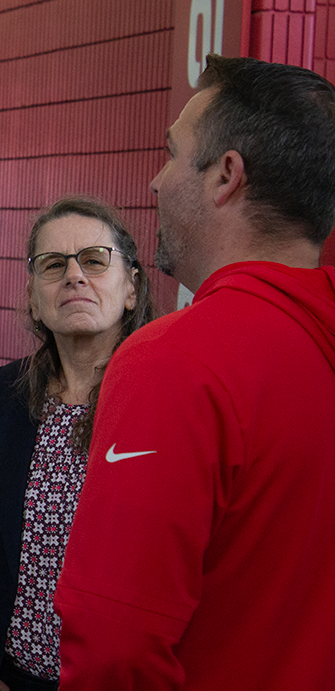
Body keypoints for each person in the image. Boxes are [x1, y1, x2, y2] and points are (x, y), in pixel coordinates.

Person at [55, 56, 335, 689]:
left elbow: (113, 649)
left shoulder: (175, 363)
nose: (155, 181)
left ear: (226, 175)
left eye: (172, 154)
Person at [0, 196, 155, 691]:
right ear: (33, 296)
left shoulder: (162, 401)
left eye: (94, 260)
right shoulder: (4, 395)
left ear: (131, 287)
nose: (74, 276)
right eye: (53, 265)